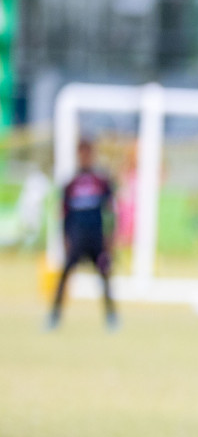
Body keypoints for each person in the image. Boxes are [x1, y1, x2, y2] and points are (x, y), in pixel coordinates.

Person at [48, 139, 118, 330]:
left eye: (89, 153)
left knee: (104, 275)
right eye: (82, 153)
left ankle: (111, 317)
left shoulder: (102, 181)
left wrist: (110, 238)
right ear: (78, 155)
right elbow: (64, 214)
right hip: (77, 238)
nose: (86, 157)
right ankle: (54, 316)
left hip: (97, 238)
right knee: (64, 276)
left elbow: (111, 211)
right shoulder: (70, 183)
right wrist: (65, 238)